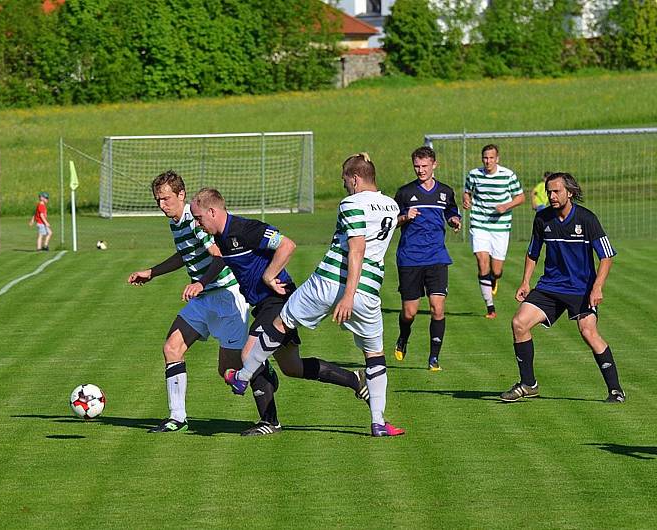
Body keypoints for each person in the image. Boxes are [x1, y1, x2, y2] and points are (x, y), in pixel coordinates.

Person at [222, 153, 405, 437]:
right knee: (374, 355)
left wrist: (347, 294)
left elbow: (356, 248)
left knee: (281, 324)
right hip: (369, 292)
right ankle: (378, 422)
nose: (345, 186)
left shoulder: (352, 203)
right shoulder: (392, 206)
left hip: (330, 283)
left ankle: (243, 377)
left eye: (346, 180)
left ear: (355, 179)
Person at [190, 187, 368, 436]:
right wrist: (201, 282)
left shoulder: (246, 229)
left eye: (198, 218)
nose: (198, 225)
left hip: (278, 300)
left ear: (212, 211)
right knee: (292, 367)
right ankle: (355, 380)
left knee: (249, 354)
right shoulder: (221, 237)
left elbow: (287, 244)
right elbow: (221, 260)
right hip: (263, 305)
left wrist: (268, 275)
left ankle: (269, 420)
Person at [128, 170, 266, 434]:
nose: (162, 205)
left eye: (166, 199)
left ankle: (266, 390)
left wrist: (200, 282)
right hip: (204, 298)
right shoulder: (176, 221)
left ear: (181, 194)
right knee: (172, 347)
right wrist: (152, 272)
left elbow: (220, 255)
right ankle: (177, 418)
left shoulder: (195, 219)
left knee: (230, 369)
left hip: (226, 295)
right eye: (158, 200)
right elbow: (185, 254)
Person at [501, 172, 624, 403]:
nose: (552, 195)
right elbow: (532, 253)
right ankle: (528, 383)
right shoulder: (542, 219)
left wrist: (597, 288)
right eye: (549, 191)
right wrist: (526, 282)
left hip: (581, 288)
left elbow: (606, 256)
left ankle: (616, 390)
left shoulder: (587, 219)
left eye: (556, 191)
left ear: (570, 192)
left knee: (588, 332)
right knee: (519, 323)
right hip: (550, 286)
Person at [393, 146, 461, 371]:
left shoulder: (445, 192)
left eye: (424, 166)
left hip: (437, 257)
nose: (420, 170)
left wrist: (454, 221)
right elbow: (392, 221)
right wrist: (405, 216)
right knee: (409, 312)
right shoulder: (404, 193)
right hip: (410, 258)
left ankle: (434, 358)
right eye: (417, 166)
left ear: (434, 165)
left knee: (437, 308)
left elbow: (452, 211)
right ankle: (403, 337)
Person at [462, 144, 525, 319]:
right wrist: (466, 201)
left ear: (497, 159)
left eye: (491, 158)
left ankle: (494, 278)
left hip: (500, 226)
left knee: (496, 270)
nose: (488, 161)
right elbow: (467, 192)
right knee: (482, 261)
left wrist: (506, 205)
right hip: (479, 223)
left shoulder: (508, 175)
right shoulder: (474, 174)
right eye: (485, 158)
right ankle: (490, 307)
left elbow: (521, 197)